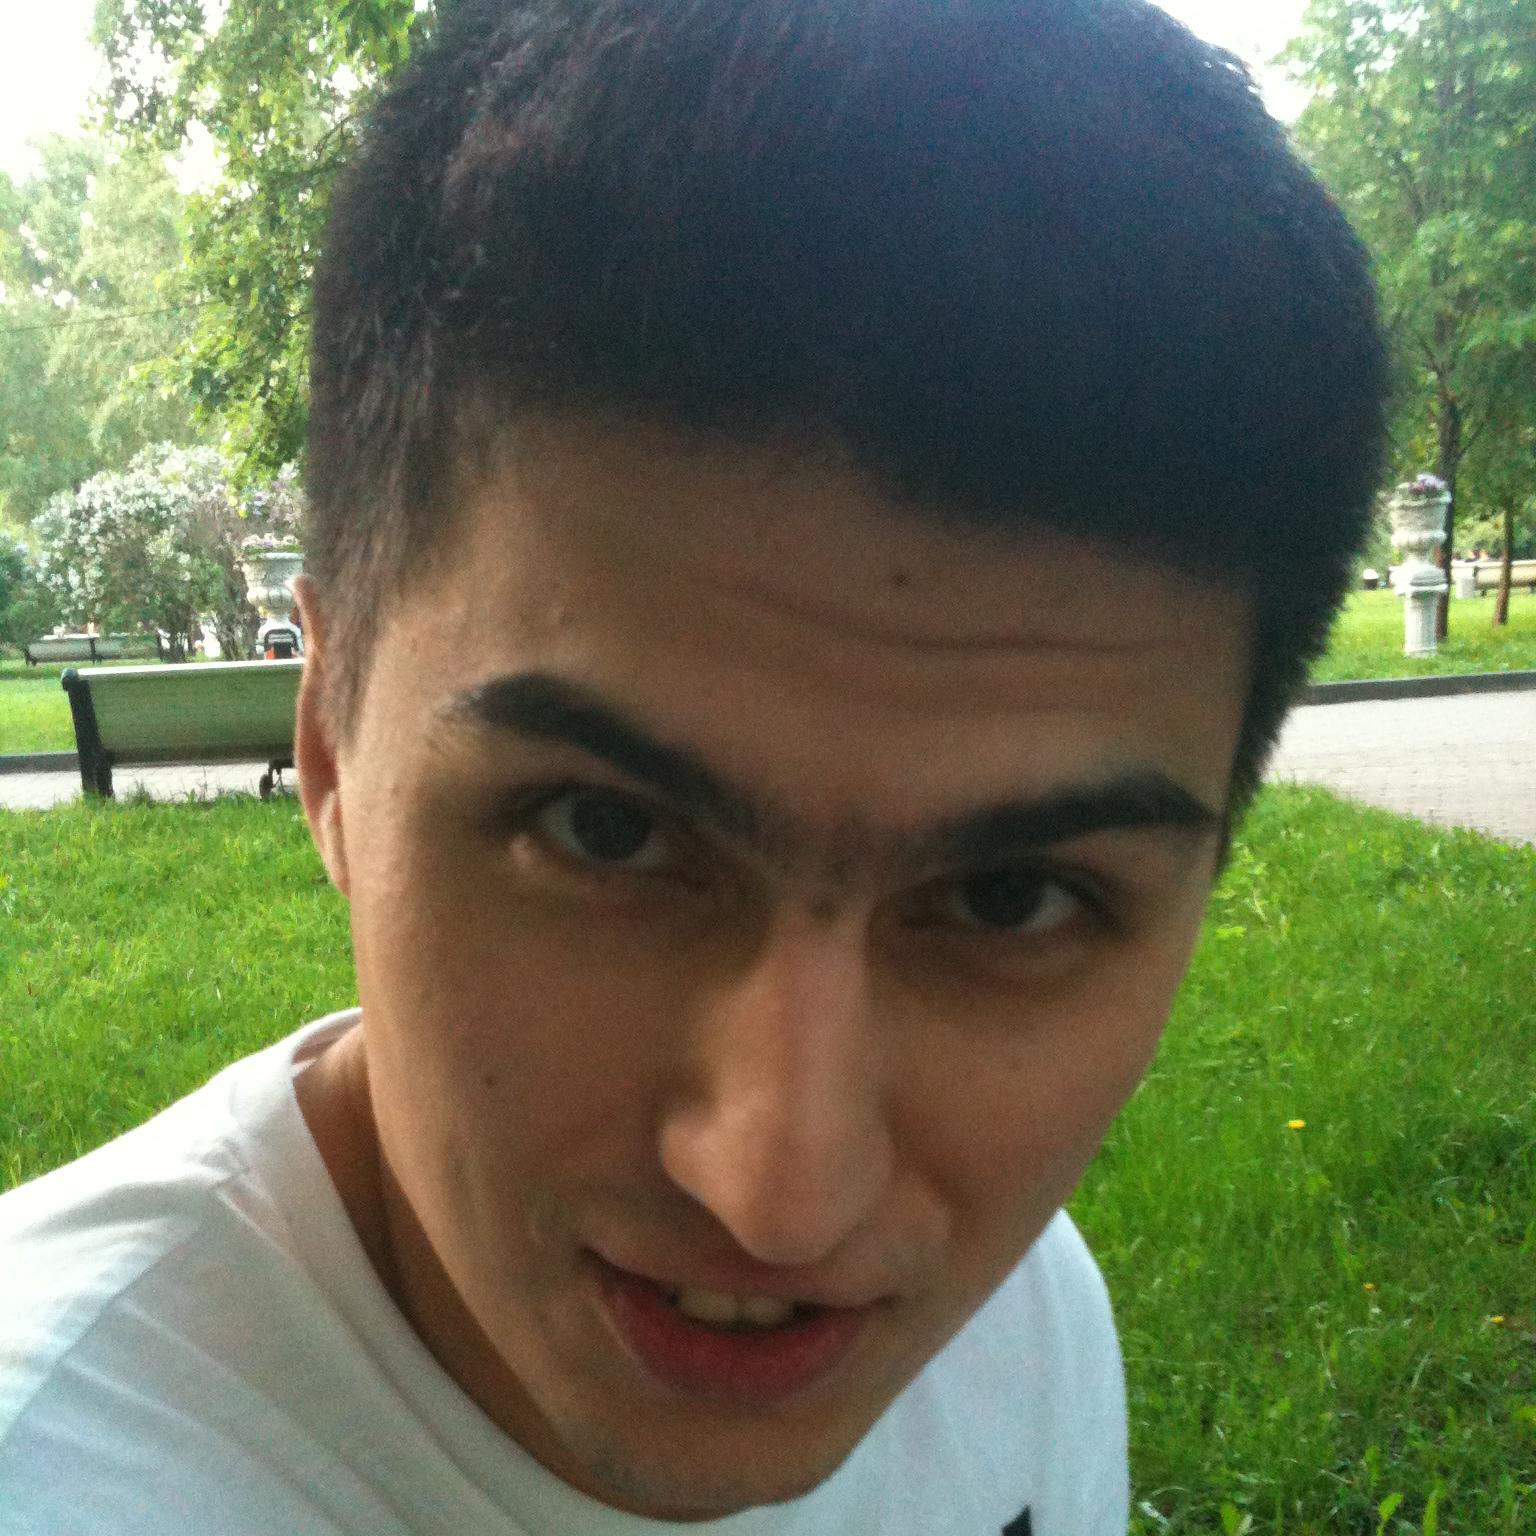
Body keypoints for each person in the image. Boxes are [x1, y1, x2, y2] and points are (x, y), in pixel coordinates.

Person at [0, 2, 1386, 1531]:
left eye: (1012, 899)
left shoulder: (1025, 1323)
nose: (783, 1199)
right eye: (602, 830)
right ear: (327, 742)